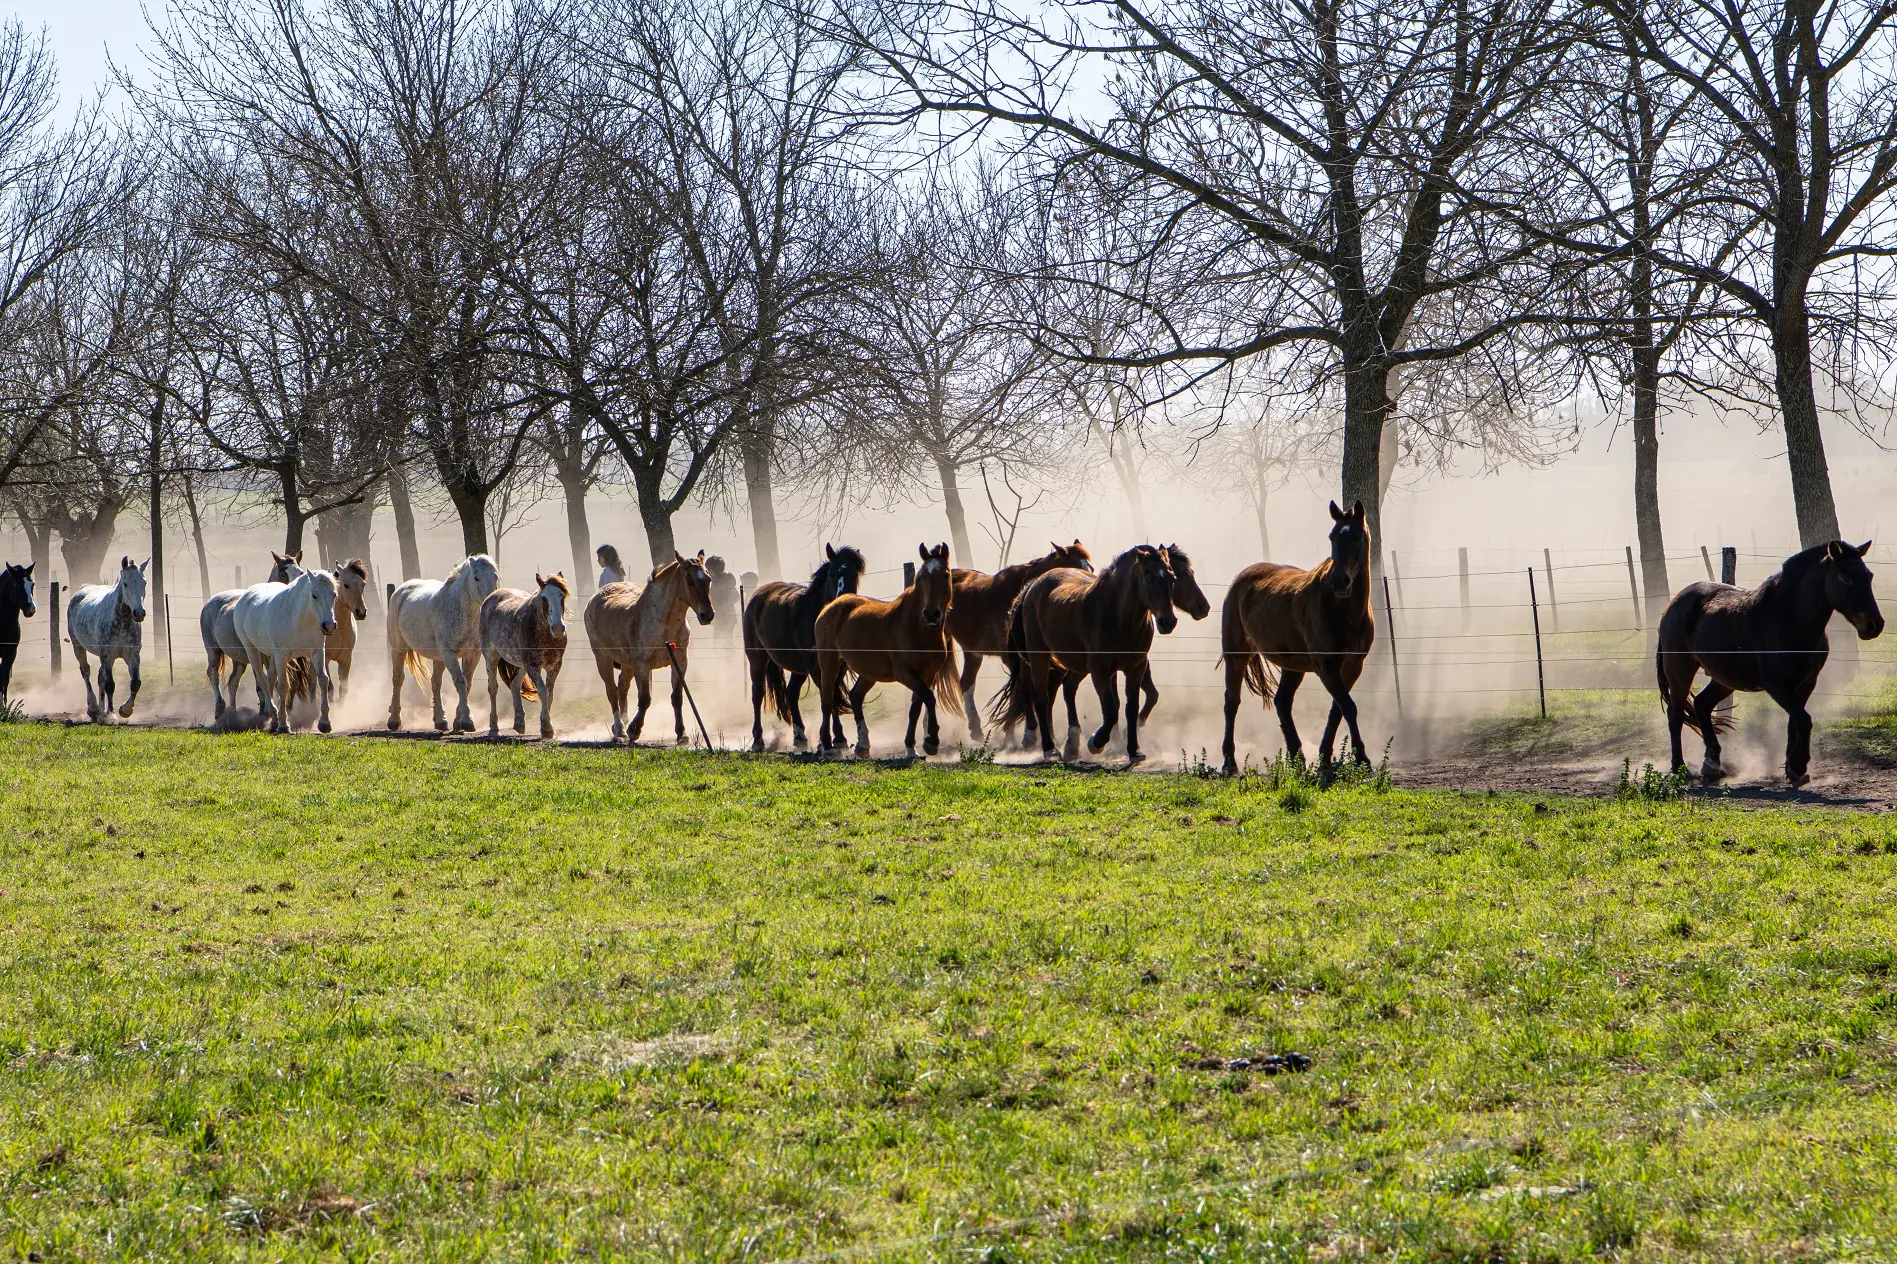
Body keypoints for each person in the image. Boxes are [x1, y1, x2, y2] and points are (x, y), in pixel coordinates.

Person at [706, 555, 739, 633]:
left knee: (721, 638)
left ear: (711, 570)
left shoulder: (715, 584)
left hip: (721, 617)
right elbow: (737, 596)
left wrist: (721, 609)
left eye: (708, 569)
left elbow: (714, 600)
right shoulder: (727, 579)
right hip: (729, 616)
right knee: (726, 637)